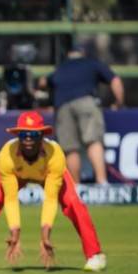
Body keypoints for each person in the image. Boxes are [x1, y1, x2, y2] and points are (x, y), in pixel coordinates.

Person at [0, 111, 107, 272]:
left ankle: (95, 255)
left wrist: (45, 234)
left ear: (42, 135)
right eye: (23, 134)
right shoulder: (7, 155)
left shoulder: (55, 155)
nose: (28, 139)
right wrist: (15, 231)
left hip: (48, 174)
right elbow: (10, 199)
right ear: (18, 135)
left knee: (73, 202)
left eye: (33, 134)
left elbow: (50, 199)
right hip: (17, 175)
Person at [45, 42, 125, 184]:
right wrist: (118, 102)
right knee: (93, 140)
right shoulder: (91, 63)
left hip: (62, 106)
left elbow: (43, 81)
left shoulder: (61, 67)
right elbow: (115, 80)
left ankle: (76, 186)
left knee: (70, 147)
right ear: (83, 54)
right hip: (86, 101)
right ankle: (102, 182)